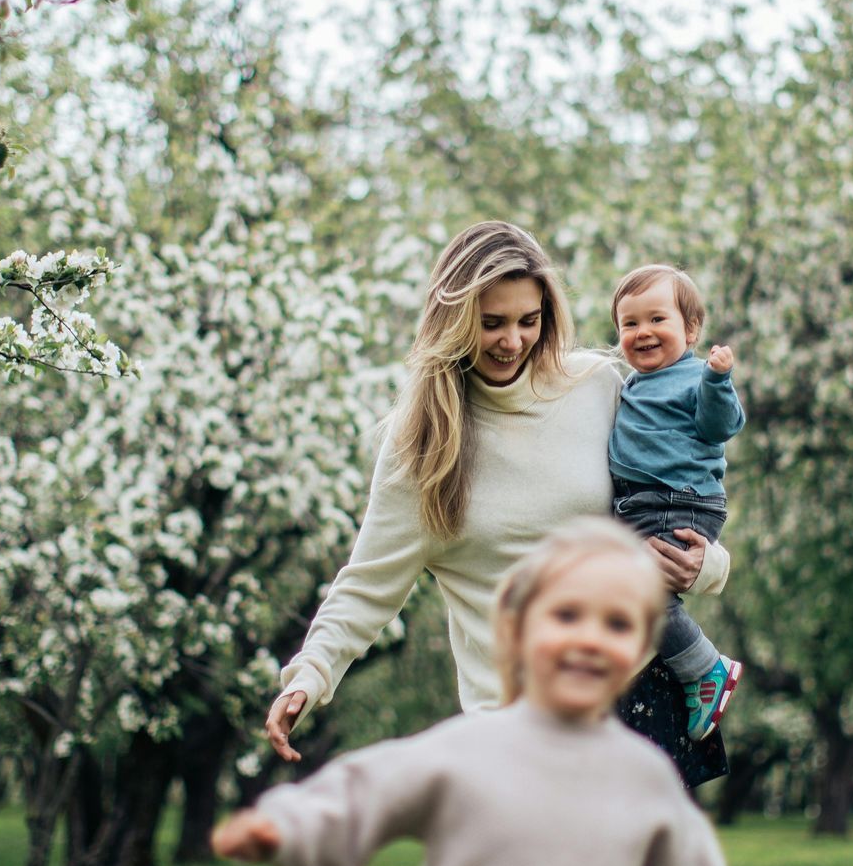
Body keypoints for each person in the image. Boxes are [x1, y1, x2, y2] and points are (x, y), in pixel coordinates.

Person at [214, 519, 752, 866]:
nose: (589, 639)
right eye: (566, 616)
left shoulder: (642, 776)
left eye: (616, 624)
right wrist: (285, 828)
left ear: (640, 648)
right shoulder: (467, 751)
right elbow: (366, 792)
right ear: (516, 633)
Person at [263, 221, 732, 781]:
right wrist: (310, 675)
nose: (512, 341)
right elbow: (367, 584)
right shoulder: (425, 445)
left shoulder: (600, 386)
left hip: (634, 708)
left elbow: (675, 490)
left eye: (528, 321)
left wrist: (708, 565)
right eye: (492, 324)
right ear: (454, 321)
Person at [608, 263, 747, 741]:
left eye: (657, 319)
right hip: (646, 503)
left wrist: (716, 379)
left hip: (678, 502)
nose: (643, 332)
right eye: (630, 323)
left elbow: (720, 426)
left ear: (690, 329)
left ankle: (704, 668)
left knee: (640, 593)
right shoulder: (630, 383)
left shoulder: (694, 377)